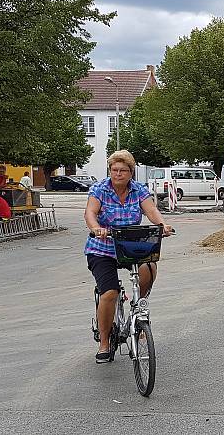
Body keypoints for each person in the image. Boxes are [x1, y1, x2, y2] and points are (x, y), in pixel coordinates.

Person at [84, 150, 173, 364]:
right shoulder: (100, 189)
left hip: (130, 246)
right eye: (114, 170)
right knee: (110, 292)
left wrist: (162, 225)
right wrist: (96, 228)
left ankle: (137, 306)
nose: (118, 174)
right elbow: (90, 213)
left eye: (123, 170)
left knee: (149, 266)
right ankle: (104, 342)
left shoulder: (139, 190)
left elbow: (151, 211)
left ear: (131, 172)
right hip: (102, 248)